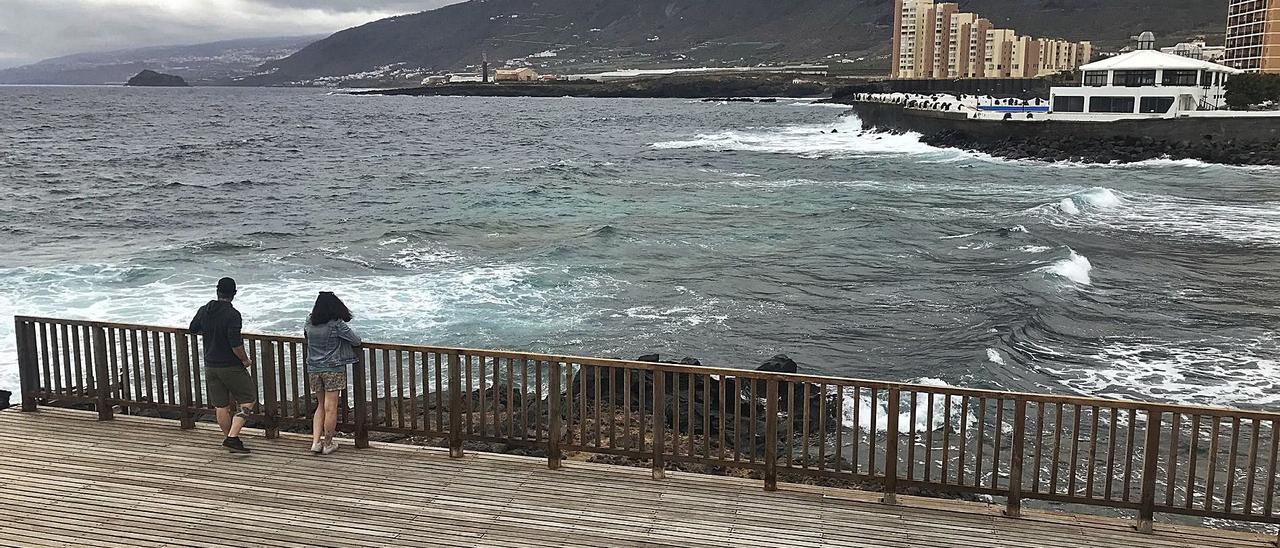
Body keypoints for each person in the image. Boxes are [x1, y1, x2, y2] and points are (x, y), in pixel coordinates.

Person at [189, 277, 256, 454]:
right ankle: (232, 437)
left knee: (221, 405)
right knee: (248, 400)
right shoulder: (233, 314)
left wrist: (210, 332)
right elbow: (235, 344)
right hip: (230, 365)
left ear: (217, 291)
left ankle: (230, 439)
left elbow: (192, 328)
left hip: (210, 364)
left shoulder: (205, 310)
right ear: (233, 294)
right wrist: (245, 360)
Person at [303, 291, 362, 455]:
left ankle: (316, 442)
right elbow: (356, 340)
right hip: (333, 368)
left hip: (313, 368)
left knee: (320, 406)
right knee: (331, 408)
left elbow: (306, 336)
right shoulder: (336, 324)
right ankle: (328, 443)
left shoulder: (309, 320)